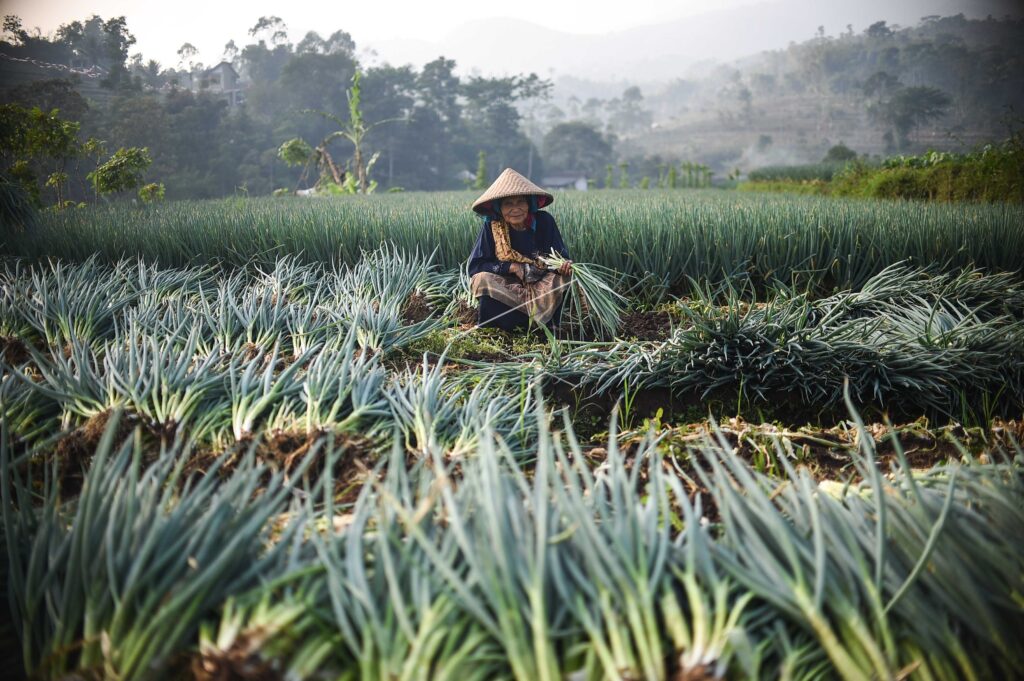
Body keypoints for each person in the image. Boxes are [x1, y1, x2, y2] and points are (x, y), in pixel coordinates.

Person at [467, 168, 573, 331]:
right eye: (508, 203)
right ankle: (496, 326)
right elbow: (476, 266)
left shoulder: (544, 221)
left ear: (529, 204)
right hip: (509, 286)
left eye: (520, 202)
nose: (515, 209)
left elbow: (560, 257)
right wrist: (511, 267)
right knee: (481, 279)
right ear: (499, 208)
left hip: (540, 285)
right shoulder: (492, 227)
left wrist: (564, 266)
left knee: (564, 279)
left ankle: (547, 325)